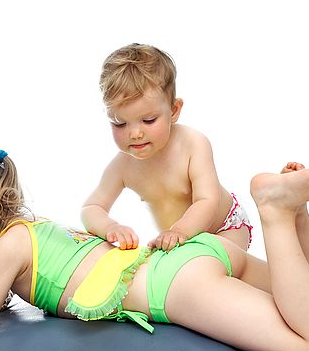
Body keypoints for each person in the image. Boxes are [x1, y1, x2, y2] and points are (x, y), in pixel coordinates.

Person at [0, 145, 309, 351]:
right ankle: (296, 217)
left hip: (177, 287)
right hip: (187, 255)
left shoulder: (6, 247)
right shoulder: (35, 228)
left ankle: (274, 211)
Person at [81, 43, 254, 252]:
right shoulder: (122, 166)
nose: (135, 133)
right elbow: (91, 208)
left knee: (212, 267)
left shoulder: (193, 144)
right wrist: (110, 227)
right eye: (120, 123)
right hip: (178, 242)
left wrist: (179, 231)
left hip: (224, 227)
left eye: (149, 120)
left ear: (174, 110)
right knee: (174, 277)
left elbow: (206, 200)